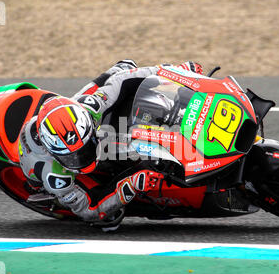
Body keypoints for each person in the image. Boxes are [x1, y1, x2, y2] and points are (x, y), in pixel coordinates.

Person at [18, 59, 203, 230]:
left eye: (86, 146)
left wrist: (176, 71)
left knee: (123, 67)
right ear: (57, 154)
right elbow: (88, 209)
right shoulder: (55, 176)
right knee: (107, 219)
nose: (85, 155)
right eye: (74, 156)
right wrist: (129, 186)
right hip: (58, 174)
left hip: (78, 121)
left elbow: (122, 80)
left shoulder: (89, 109)